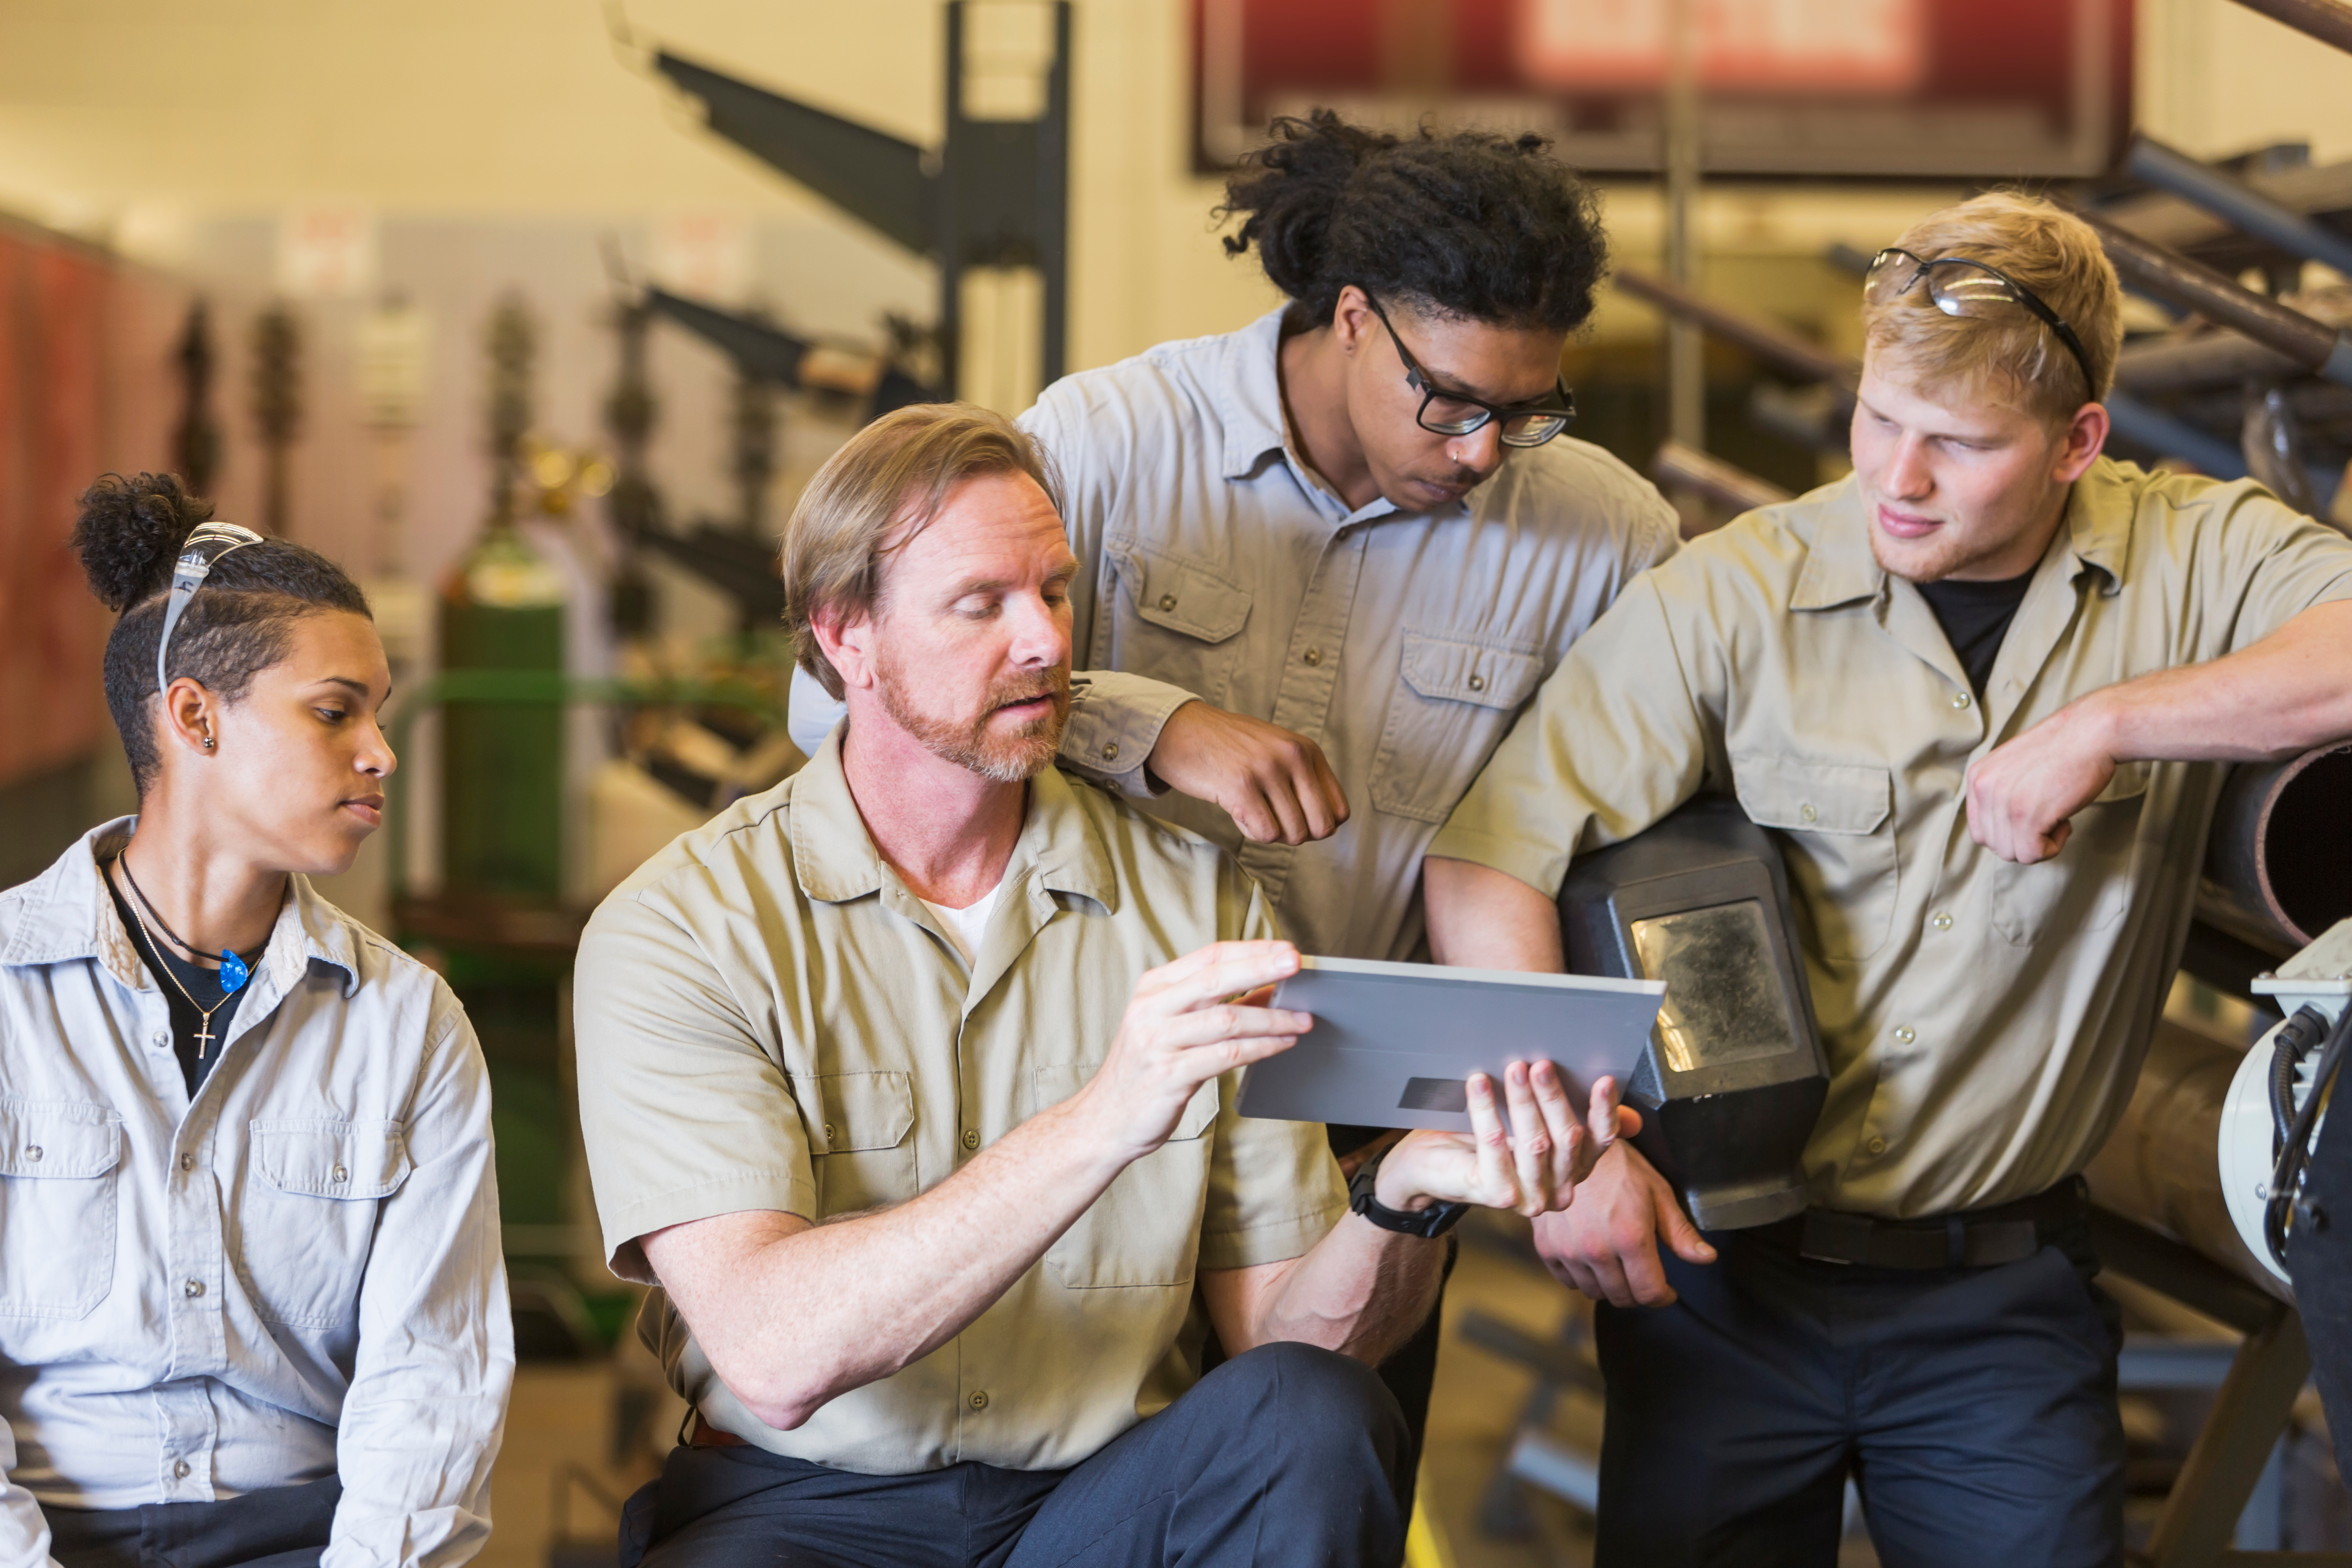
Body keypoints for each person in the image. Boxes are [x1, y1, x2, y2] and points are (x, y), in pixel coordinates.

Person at [1422, 191, 2352, 1566]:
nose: (1896, 481)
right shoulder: (1734, 596)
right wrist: (1570, 1156)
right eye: (1877, 421)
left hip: (2004, 1306)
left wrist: (2112, 722)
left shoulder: (2191, 556)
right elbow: (1489, 859)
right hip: (1722, 1282)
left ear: (2077, 443)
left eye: (1960, 446)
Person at [575, 404, 1627, 1568]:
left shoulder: (1196, 901)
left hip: (1102, 1505)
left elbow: (1283, 1340)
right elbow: (773, 1357)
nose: (1044, 641)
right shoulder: (685, 926)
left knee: (1314, 1417)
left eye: (1056, 591)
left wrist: (1407, 1194)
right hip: (802, 1510)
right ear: (847, 636)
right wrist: (1106, 1119)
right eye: (982, 604)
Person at [788, 110, 1682, 1457]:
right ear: (1355, 319)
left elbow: (1608, 845)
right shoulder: (1101, 442)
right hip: (1076, 1106)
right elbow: (840, 709)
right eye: (1450, 401)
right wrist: (1148, 725)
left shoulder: (1604, 538)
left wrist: (1576, 1105)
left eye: (1528, 409)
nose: (1485, 451)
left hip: (1359, 1149)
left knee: (1319, 1493)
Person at [0, 474, 513, 1568]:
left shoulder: (407, 1024)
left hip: (312, 1541)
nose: (381, 751)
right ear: (194, 717)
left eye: (380, 710)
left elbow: (434, 1380)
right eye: (337, 711)